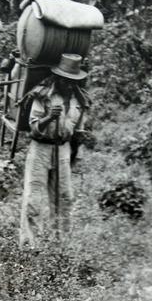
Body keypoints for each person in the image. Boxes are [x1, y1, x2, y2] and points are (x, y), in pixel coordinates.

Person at [19, 53, 90, 249]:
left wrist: (79, 155)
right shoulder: (43, 96)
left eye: (71, 81)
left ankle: (61, 248)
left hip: (63, 150)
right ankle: (28, 247)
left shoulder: (79, 100)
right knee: (33, 198)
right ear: (58, 78)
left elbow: (79, 132)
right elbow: (34, 128)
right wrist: (49, 117)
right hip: (40, 147)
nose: (68, 84)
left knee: (65, 198)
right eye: (65, 80)